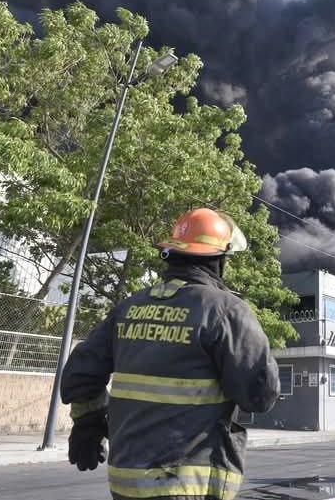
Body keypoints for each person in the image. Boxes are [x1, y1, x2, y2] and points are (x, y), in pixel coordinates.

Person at [60, 208, 280, 500]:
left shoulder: (130, 307)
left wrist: (87, 423)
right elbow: (259, 395)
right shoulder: (225, 310)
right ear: (218, 259)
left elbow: (81, 372)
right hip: (189, 483)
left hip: (126, 483)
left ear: (173, 253)